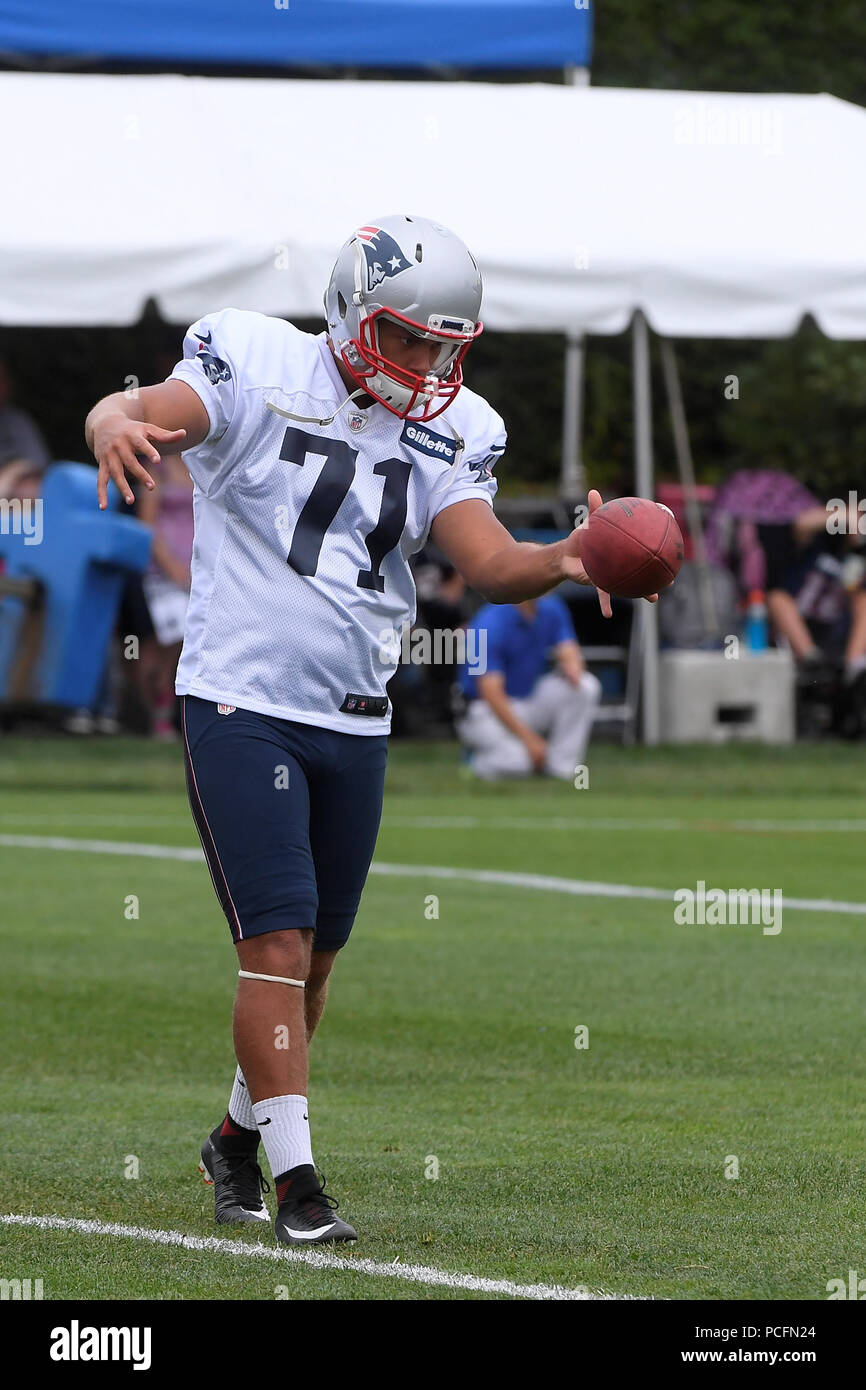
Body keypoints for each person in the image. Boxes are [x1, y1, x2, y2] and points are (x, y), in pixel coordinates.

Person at [85, 214, 654, 1248]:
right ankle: (299, 1185)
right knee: (277, 940)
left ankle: (232, 1139)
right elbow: (150, 407)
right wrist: (107, 414)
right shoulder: (254, 360)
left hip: (356, 714)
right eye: (407, 338)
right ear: (351, 314)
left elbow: (486, 564)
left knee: (316, 967)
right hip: (242, 700)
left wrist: (571, 557)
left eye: (445, 345)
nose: (427, 364)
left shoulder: (454, 425)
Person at [456, 595, 601, 780]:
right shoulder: (489, 622)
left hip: (527, 699)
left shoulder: (551, 607)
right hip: (484, 711)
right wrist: (530, 740)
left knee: (585, 686)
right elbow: (491, 693)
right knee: (522, 763)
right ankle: (476, 761)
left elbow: (569, 649)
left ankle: (561, 769)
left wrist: (572, 665)